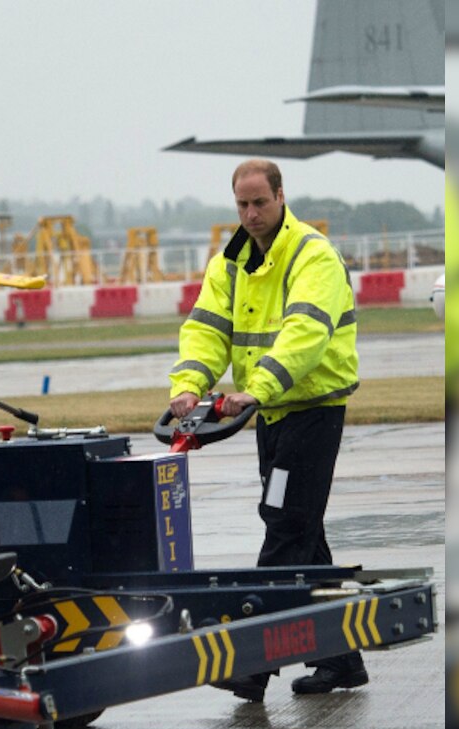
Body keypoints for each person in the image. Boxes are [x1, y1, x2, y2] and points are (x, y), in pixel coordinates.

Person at [169, 159, 363, 701]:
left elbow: (305, 333)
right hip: (268, 414)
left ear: (281, 196)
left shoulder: (312, 255)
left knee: (284, 528)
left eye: (259, 203)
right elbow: (206, 329)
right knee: (304, 537)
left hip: (308, 411)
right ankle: (340, 660)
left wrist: (257, 388)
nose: (251, 214)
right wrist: (189, 383)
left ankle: (252, 664)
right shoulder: (229, 263)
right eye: (241, 205)